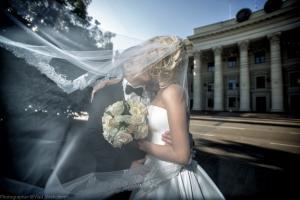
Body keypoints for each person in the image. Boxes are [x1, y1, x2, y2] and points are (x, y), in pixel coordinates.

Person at [124, 36, 226, 200]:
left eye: (148, 56)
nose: (144, 61)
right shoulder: (157, 91)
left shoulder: (173, 91)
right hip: (154, 167)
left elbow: (182, 156)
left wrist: (144, 146)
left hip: (171, 176)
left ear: (160, 61)